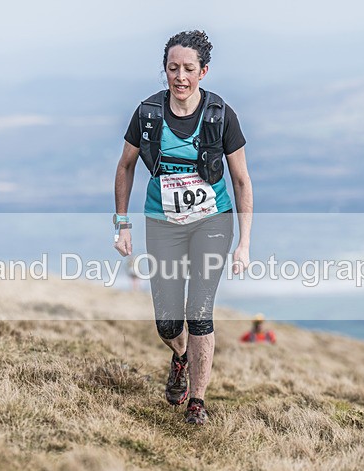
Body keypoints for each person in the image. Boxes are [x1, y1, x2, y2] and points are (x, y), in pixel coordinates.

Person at [113, 30, 253, 425]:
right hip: (163, 224)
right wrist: (123, 225)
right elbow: (124, 167)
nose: (180, 76)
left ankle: (198, 402)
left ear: (203, 71)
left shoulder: (221, 115)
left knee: (200, 312)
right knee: (169, 322)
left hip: (212, 221)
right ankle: (180, 356)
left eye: (188, 69)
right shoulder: (147, 114)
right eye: (173, 68)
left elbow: (241, 180)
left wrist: (244, 243)